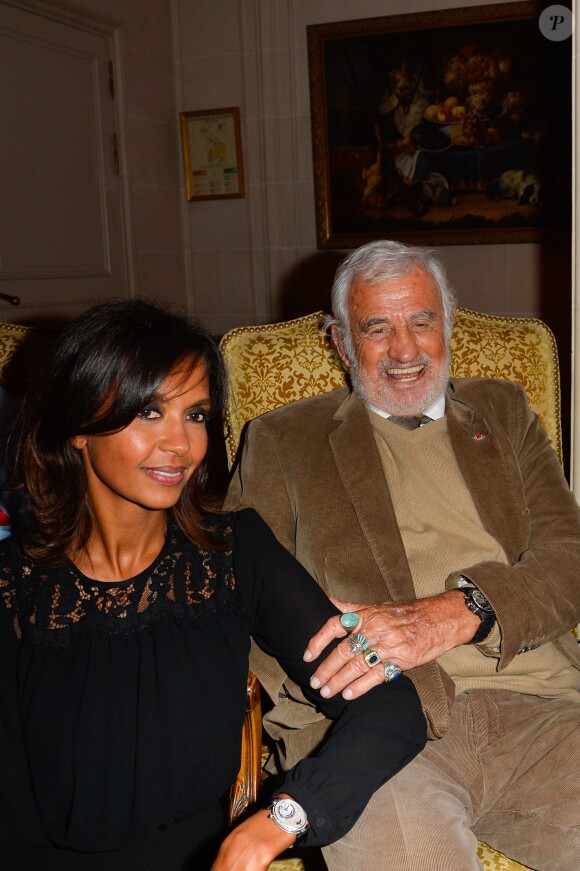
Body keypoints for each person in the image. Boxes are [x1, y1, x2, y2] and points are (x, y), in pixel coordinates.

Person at [0, 298, 426, 871]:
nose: (182, 445)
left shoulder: (232, 554)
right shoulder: (14, 586)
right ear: (78, 426)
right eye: (150, 412)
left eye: (196, 415)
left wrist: (280, 821)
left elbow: (392, 705)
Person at [225, 240, 580, 871]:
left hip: (548, 717)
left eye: (422, 321)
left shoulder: (503, 411)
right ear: (341, 343)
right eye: (377, 328)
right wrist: (314, 670)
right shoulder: (283, 441)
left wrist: (460, 612)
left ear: (448, 324)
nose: (406, 350)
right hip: (382, 735)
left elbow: (571, 558)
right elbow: (236, 596)